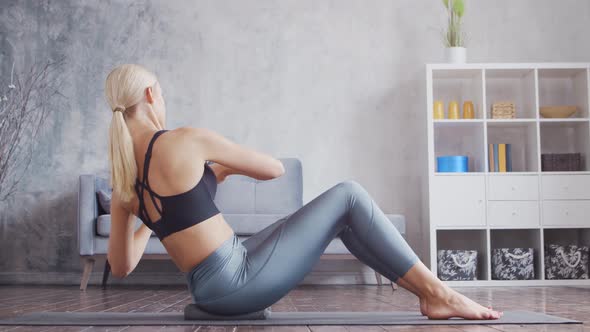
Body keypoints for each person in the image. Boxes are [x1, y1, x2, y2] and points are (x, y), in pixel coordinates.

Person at [104, 63, 503, 320]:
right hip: (237, 282)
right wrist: (221, 168)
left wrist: (152, 221)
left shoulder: (123, 178)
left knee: (330, 219)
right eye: (163, 93)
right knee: (349, 196)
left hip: (208, 287)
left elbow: (121, 266)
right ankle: (437, 292)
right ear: (152, 95)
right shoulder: (184, 140)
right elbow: (273, 169)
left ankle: (431, 294)